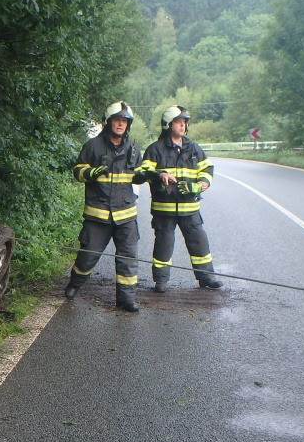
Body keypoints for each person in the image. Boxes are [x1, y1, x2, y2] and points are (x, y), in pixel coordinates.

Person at [64, 101, 144, 312]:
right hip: (98, 215)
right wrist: (93, 172)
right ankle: (75, 284)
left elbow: (137, 175)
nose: (121, 124)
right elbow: (78, 171)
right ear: (108, 122)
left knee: (128, 258)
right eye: (117, 120)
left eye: (124, 121)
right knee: (88, 256)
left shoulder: (133, 148)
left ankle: (126, 298)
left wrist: (146, 176)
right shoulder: (92, 146)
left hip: (126, 215)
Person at [136, 105, 223, 292]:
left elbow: (207, 170)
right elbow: (142, 172)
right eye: (178, 122)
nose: (182, 126)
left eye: (184, 123)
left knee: (199, 244)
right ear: (168, 124)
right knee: (163, 246)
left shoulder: (194, 149)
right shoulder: (154, 150)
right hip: (164, 210)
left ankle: (206, 277)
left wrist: (200, 185)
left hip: (190, 209)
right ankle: (160, 281)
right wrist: (159, 174)